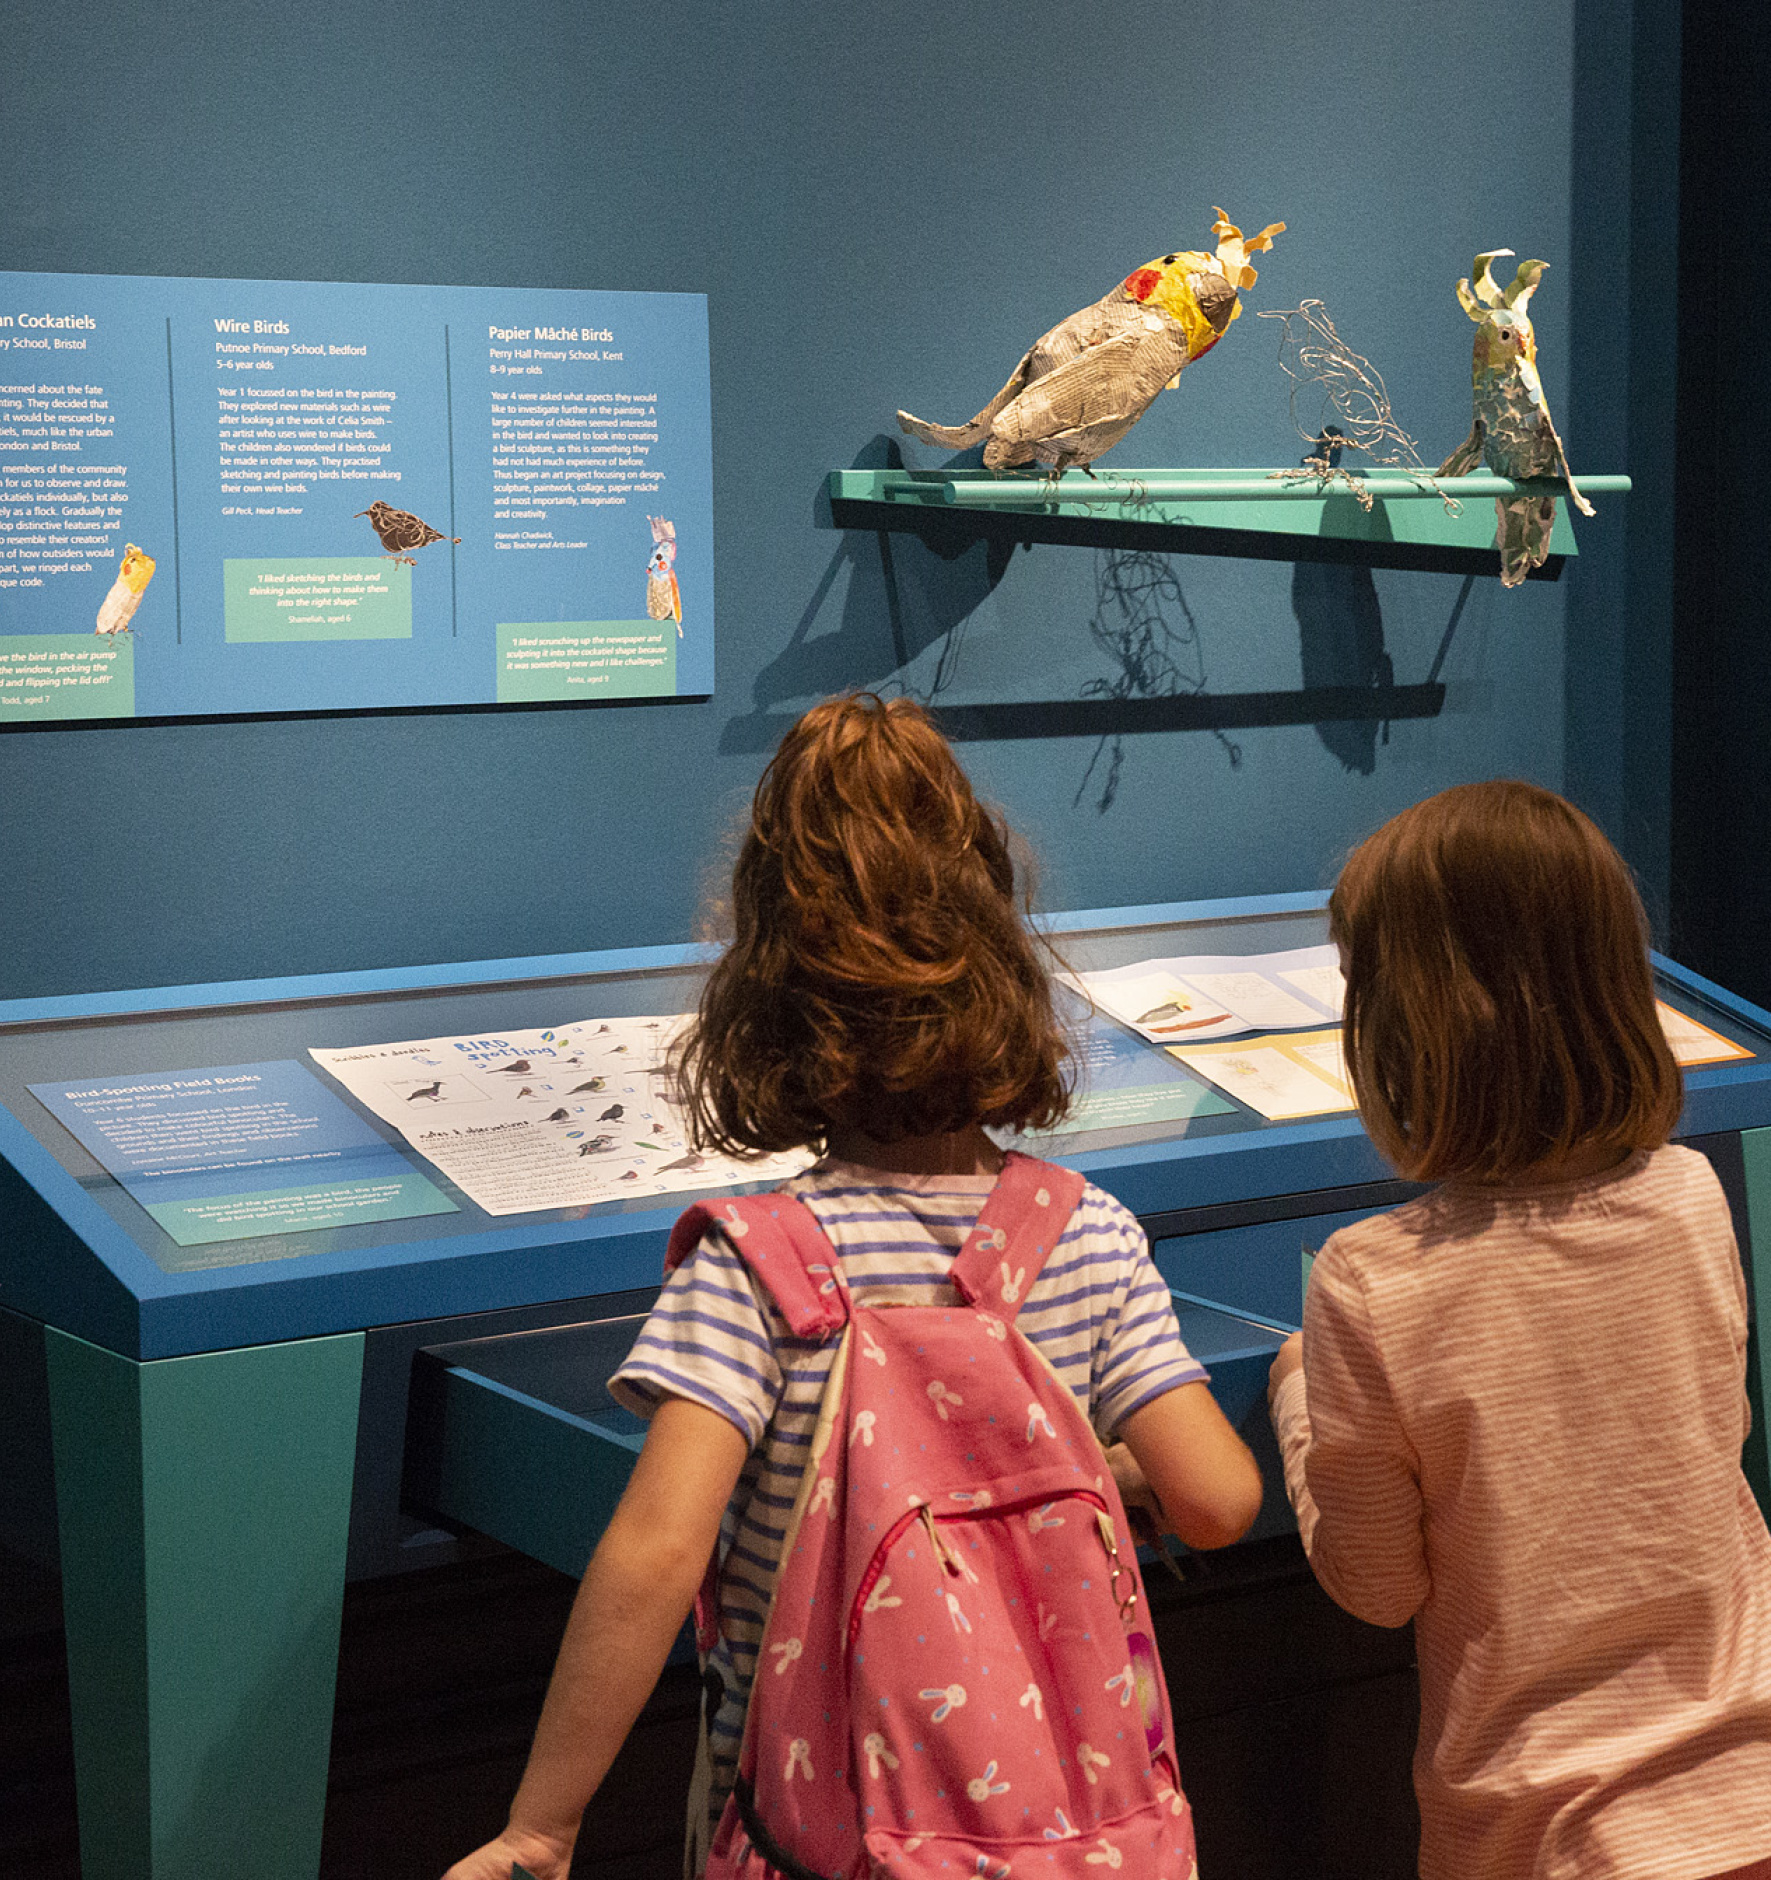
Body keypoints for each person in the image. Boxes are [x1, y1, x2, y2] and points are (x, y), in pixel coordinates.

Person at [444, 693, 1263, 1880]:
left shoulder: (758, 1261)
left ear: (768, 1003)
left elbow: (656, 1549)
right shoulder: (1081, 1231)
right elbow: (1217, 1498)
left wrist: (544, 1819)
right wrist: (1089, 1467)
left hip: (820, 1840)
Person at [1268, 780, 1771, 1880]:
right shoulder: (1687, 1196)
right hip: (1740, 1798)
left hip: (1540, 1828)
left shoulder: (1368, 1281)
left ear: (1401, 1031)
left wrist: (1298, 1398)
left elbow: (1375, 1581)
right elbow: (1706, 1440)